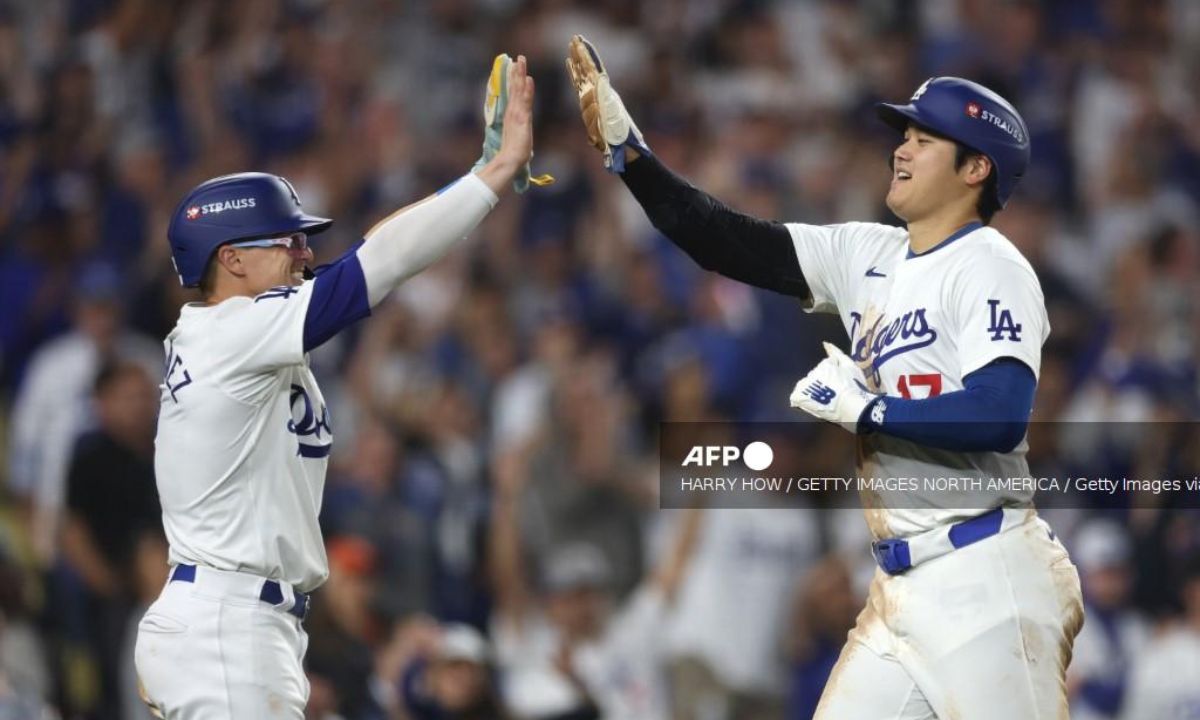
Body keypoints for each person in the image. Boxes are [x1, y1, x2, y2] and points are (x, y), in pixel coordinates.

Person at [566, 35, 1083, 719]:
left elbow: (1000, 412)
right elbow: (726, 240)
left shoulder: (992, 264)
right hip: (900, 591)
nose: (900, 148)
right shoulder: (867, 252)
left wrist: (868, 411)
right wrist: (631, 157)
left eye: (925, 139)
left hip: (986, 577)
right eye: (905, 133)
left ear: (975, 168)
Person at [134, 54, 540, 718]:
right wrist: (489, 176)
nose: (304, 253)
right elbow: (378, 264)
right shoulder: (231, 330)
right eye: (285, 241)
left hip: (238, 622)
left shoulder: (241, 334)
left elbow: (368, 252)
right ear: (229, 260)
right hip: (224, 624)